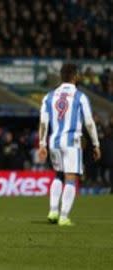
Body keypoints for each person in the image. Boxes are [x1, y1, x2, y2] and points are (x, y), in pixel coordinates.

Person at [38, 63, 101, 226]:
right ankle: (64, 216)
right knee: (71, 178)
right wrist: (96, 143)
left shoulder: (48, 96)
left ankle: (53, 211)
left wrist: (42, 144)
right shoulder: (80, 96)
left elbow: (43, 122)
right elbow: (89, 122)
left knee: (58, 175)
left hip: (54, 142)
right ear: (75, 76)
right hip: (72, 142)